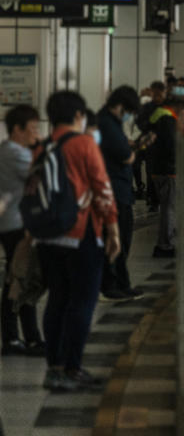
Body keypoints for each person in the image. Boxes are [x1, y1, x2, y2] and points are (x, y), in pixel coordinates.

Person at [34, 91, 121, 392]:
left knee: (57, 299)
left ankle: (54, 369)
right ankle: (72, 367)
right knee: (82, 301)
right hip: (81, 232)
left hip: (47, 237)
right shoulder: (84, 143)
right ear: (78, 116)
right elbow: (102, 186)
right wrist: (113, 228)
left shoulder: (43, 147)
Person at [0, 105, 44, 357]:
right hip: (16, 225)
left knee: (19, 280)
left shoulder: (10, 150)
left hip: (15, 222)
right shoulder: (15, 153)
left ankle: (24, 337)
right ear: (17, 129)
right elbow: (43, 169)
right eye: (33, 128)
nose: (36, 133)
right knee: (18, 281)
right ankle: (19, 338)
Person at [97, 86, 144, 302]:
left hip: (119, 187)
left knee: (123, 239)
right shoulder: (106, 123)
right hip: (114, 189)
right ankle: (110, 284)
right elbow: (125, 155)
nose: (130, 116)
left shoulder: (110, 122)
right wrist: (130, 153)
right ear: (122, 105)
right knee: (116, 239)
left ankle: (122, 283)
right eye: (130, 111)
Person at [147, 97, 184, 258]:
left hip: (160, 169)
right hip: (168, 170)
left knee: (168, 207)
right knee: (169, 209)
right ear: (178, 107)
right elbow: (172, 146)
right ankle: (165, 245)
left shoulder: (158, 117)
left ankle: (166, 243)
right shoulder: (167, 120)